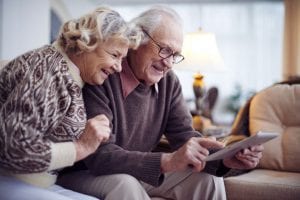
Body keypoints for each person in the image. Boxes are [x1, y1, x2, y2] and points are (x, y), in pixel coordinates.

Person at [58, 5, 263, 200]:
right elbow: (100, 156)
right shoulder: (104, 73)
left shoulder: (169, 82)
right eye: (164, 50)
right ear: (137, 39)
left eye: (175, 55)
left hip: (134, 170)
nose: (168, 63)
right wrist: (167, 161)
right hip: (86, 171)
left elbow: (184, 137)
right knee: (125, 184)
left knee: (208, 180)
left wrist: (225, 158)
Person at [0, 6, 141, 200]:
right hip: (9, 178)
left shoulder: (71, 74)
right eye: (115, 55)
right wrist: (81, 147)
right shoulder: (49, 70)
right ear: (89, 42)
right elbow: (15, 148)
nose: (118, 67)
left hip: (37, 181)